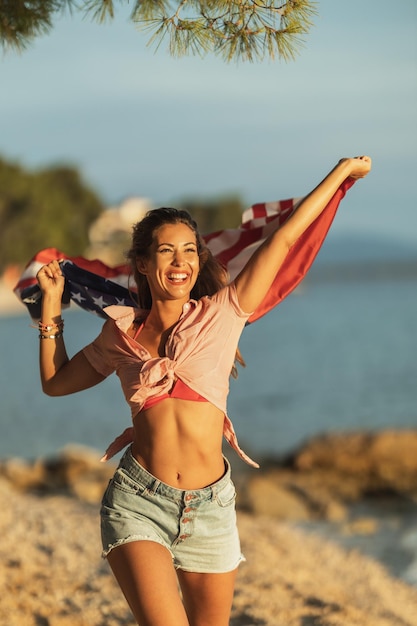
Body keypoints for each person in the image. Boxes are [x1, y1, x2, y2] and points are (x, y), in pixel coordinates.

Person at [36, 156, 371, 626]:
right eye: (167, 251)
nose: (181, 262)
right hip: (138, 501)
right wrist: (52, 312)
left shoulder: (225, 311)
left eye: (190, 251)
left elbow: (285, 238)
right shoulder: (121, 333)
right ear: (143, 264)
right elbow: (55, 384)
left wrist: (339, 174)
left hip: (211, 509)